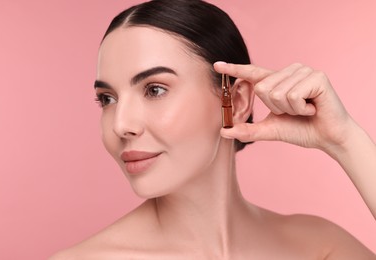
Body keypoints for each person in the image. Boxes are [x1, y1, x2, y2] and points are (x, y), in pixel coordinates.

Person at [51, 0, 376, 259]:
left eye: (155, 90)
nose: (121, 125)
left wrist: (345, 139)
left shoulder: (320, 248)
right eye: (106, 98)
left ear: (234, 101)